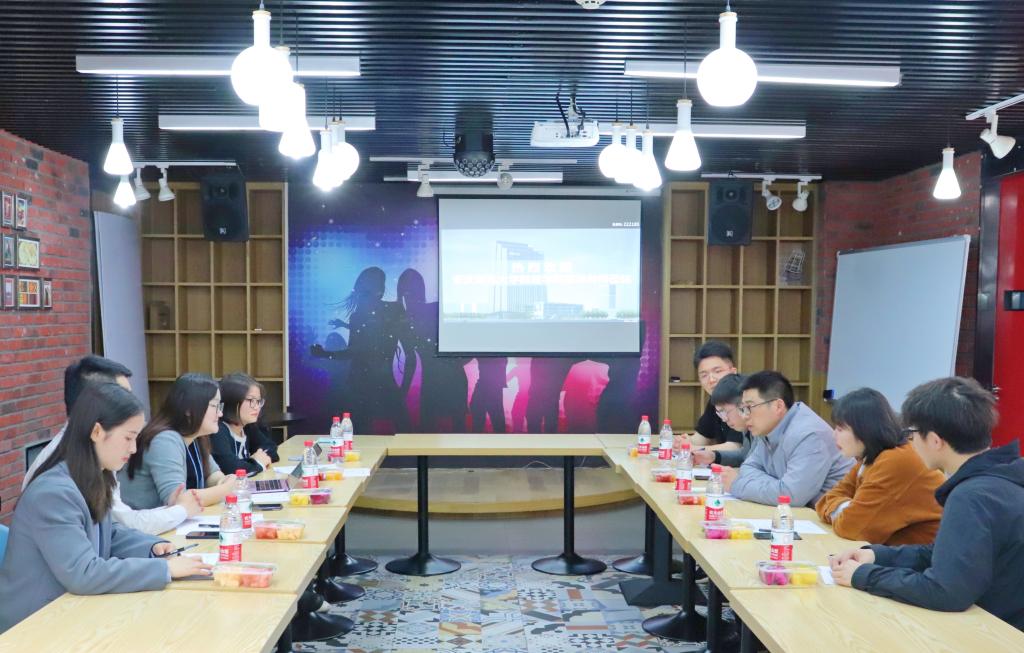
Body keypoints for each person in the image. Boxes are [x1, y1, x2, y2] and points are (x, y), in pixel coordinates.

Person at [0, 383, 211, 633]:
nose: (133, 449)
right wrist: (164, 568)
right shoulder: (53, 493)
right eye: (128, 438)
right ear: (97, 431)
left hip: (71, 610)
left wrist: (151, 547)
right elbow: (83, 573)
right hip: (34, 625)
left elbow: (107, 533)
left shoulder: (93, 477)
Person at [831, 377, 1024, 631]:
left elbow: (945, 591)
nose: (910, 442)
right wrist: (877, 555)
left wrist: (863, 576)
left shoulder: (972, 495)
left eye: (911, 434)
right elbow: (947, 554)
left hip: (997, 634)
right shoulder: (1001, 475)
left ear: (935, 441)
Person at [22, 355, 201, 535]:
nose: (130, 404)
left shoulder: (97, 452)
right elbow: (124, 525)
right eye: (122, 396)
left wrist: (167, 522)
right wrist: (180, 511)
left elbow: (114, 529)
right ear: (93, 402)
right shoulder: (64, 470)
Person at [815, 388, 944, 545]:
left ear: (865, 429)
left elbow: (851, 528)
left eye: (840, 429)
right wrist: (849, 508)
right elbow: (824, 500)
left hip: (925, 556)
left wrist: (846, 509)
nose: (834, 434)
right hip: (894, 552)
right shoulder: (871, 456)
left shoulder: (895, 461)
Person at [723, 370, 853, 507]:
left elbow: (791, 496)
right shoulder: (768, 428)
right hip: (801, 511)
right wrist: (779, 486)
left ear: (778, 406)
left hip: (830, 515)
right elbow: (748, 467)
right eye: (743, 409)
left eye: (750, 407)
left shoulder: (809, 435)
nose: (744, 416)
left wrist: (738, 485)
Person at [119, 373, 237, 509]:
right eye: (214, 406)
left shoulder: (195, 436)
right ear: (189, 409)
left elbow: (212, 474)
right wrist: (225, 490)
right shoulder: (165, 440)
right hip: (146, 520)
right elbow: (178, 501)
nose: (220, 413)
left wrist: (223, 481)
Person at [677, 341, 744, 456]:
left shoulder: (743, 399)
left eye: (717, 371)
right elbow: (702, 437)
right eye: (704, 375)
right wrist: (685, 442)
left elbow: (736, 447)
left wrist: (693, 448)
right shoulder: (715, 400)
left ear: (733, 372)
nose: (711, 379)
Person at [210, 372, 279, 475]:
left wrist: (254, 461)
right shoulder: (218, 430)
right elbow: (231, 468)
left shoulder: (247, 426)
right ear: (232, 401)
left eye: (258, 401)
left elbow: (271, 450)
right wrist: (257, 462)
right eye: (251, 400)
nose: (257, 407)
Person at [692, 373, 752, 468]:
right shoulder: (747, 429)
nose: (724, 419)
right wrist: (714, 456)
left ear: (742, 405)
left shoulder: (763, 430)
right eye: (720, 414)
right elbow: (745, 456)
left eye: (724, 412)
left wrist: (738, 475)